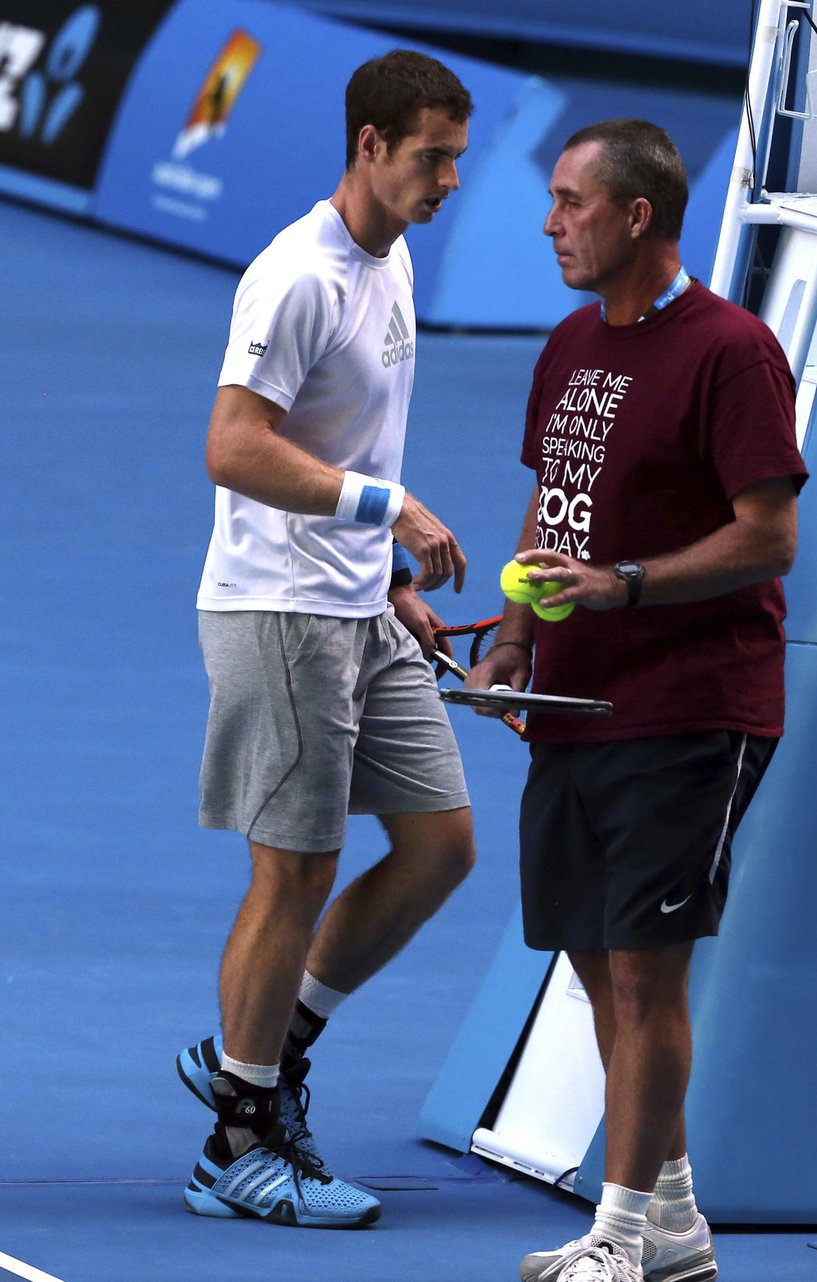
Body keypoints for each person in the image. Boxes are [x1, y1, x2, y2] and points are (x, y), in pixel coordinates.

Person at [468, 119, 808, 1282]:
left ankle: (618, 1238)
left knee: (640, 967)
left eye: (570, 200)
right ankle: (669, 1218)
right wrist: (516, 632)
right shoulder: (568, 344)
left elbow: (770, 537)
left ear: (638, 216)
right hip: (572, 700)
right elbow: (551, 505)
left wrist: (624, 589)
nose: (551, 220)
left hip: (690, 703)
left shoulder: (732, 350)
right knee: (581, 945)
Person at [178, 49, 476, 1230]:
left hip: (362, 604)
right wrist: (381, 506)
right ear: (371, 146)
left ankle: (261, 1051)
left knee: (440, 845)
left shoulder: (392, 263)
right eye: (433, 158)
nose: (450, 180)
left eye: (457, 158)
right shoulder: (295, 276)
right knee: (292, 870)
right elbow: (234, 447)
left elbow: (343, 432)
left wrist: (392, 572)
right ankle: (237, 1142)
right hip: (279, 610)